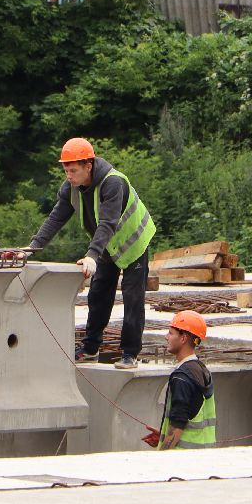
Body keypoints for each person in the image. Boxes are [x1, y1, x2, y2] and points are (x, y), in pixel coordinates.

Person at [28, 138, 156, 370]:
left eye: (73, 170)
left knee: (132, 298)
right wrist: (31, 249)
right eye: (66, 170)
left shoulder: (112, 183)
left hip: (133, 242)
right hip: (107, 246)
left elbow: (107, 222)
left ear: (89, 165)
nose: (69, 175)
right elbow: (55, 219)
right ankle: (90, 349)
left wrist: (91, 256)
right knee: (98, 295)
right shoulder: (71, 188)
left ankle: (129, 353)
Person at [157, 309, 215, 449]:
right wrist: (162, 436)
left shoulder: (182, 377)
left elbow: (178, 425)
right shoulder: (201, 369)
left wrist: (160, 456)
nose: (166, 337)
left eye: (171, 333)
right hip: (202, 457)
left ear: (183, 338)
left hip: (182, 461)